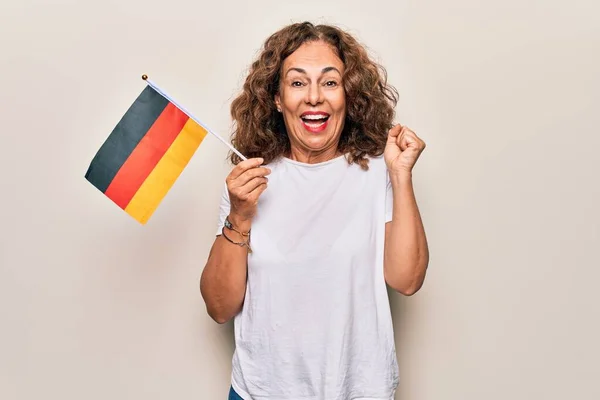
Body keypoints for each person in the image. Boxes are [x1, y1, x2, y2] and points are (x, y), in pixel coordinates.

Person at [200, 21, 429, 400]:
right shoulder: (250, 182)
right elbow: (220, 307)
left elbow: (407, 280)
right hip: (261, 393)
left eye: (329, 82)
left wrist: (401, 175)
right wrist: (239, 216)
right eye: (297, 82)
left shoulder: (378, 173)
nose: (314, 97)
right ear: (277, 99)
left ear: (348, 94)